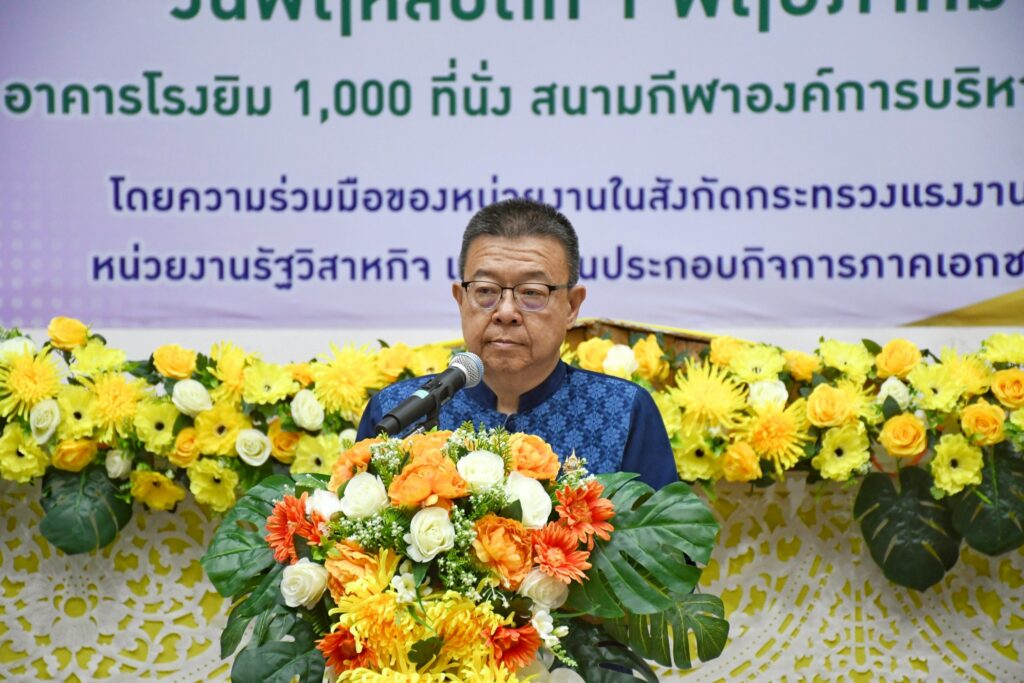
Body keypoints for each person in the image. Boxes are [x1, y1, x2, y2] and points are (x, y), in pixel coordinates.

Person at [356, 198, 678, 489]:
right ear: (460, 299)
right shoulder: (397, 411)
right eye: (485, 290)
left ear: (572, 306)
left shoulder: (622, 411)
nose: (506, 312)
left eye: (532, 292)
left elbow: (667, 534)